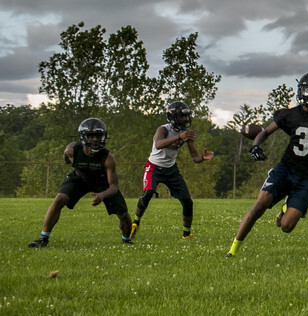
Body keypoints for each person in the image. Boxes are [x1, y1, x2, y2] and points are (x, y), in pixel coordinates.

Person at [227, 72, 308, 257]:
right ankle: (232, 250)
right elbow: (265, 132)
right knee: (261, 203)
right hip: (286, 169)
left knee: (286, 227)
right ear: (301, 91)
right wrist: (255, 146)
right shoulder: (289, 115)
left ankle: (286, 207)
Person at [28, 118, 133, 247]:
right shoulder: (72, 150)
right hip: (79, 178)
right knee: (59, 199)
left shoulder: (108, 158)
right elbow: (67, 155)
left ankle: (126, 239)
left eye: (98, 136)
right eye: (91, 136)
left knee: (123, 214)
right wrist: (67, 160)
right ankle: (43, 238)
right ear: (83, 137)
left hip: (102, 182)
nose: (95, 139)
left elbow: (114, 187)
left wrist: (102, 195)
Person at [129, 101, 214, 241]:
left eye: (186, 117)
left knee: (187, 201)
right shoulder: (163, 129)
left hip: (171, 169)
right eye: (182, 116)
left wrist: (203, 158)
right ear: (173, 116)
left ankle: (186, 234)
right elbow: (159, 144)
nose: (185, 120)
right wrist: (179, 137)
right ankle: (135, 223)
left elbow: (195, 158)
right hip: (154, 167)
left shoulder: (185, 133)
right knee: (148, 193)